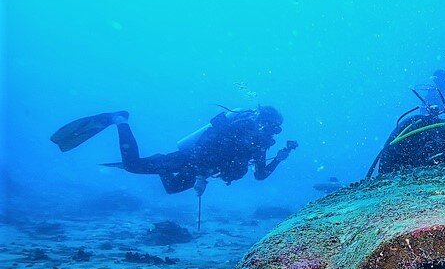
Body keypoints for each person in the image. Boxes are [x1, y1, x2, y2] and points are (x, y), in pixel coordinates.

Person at [51, 106, 297, 195]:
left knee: (171, 188)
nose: (274, 134)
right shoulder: (245, 131)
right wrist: (201, 174)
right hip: (190, 159)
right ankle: (120, 119)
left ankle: (159, 165)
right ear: (265, 122)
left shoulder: (257, 142)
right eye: (274, 128)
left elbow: (259, 175)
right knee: (133, 165)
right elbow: (213, 148)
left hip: (200, 168)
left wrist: (279, 158)